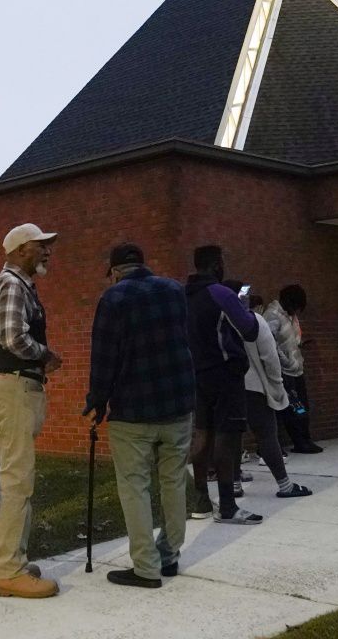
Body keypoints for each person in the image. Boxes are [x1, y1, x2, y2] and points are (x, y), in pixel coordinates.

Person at [85, 243, 196, 588]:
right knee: (174, 481)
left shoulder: (114, 299)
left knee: (135, 487)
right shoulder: (174, 290)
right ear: (143, 264)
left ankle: (146, 567)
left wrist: (97, 402)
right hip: (178, 403)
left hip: (133, 409)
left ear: (115, 271)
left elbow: (104, 358)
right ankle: (170, 555)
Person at [0, 223, 62, 599]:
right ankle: (9, 571)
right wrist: (46, 355)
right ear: (20, 249)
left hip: (11, 385)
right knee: (17, 481)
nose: (47, 252)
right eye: (40, 246)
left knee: (8, 477)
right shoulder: (13, 284)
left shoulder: (7, 283)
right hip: (17, 386)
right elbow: (12, 338)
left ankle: (2, 563)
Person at [185, 246, 263, 525]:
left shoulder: (186, 294)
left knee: (202, 434)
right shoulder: (221, 293)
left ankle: (201, 500)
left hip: (196, 373)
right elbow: (249, 330)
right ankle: (228, 506)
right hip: (225, 373)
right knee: (226, 436)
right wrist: (245, 308)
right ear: (217, 264)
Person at [230, 288, 312, 498]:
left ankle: (235, 483)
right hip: (255, 387)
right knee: (267, 435)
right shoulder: (255, 320)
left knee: (231, 436)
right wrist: (276, 387)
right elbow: (270, 356)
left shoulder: (219, 321)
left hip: (228, 388)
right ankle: (284, 485)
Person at [264, 286, 323, 453]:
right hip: (284, 371)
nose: (296, 312)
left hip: (297, 369)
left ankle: (304, 438)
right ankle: (298, 441)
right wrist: (286, 361)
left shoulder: (292, 316)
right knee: (290, 409)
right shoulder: (272, 315)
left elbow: (291, 340)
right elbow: (270, 344)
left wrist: (299, 346)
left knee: (301, 406)